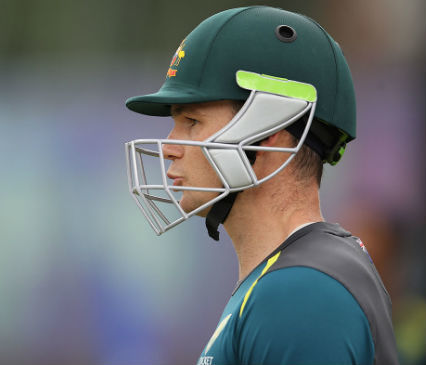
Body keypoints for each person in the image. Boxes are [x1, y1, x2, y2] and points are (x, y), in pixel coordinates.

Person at [124, 6, 399, 365]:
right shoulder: (289, 279)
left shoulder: (300, 292)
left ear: (267, 135)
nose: (170, 148)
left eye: (192, 120)